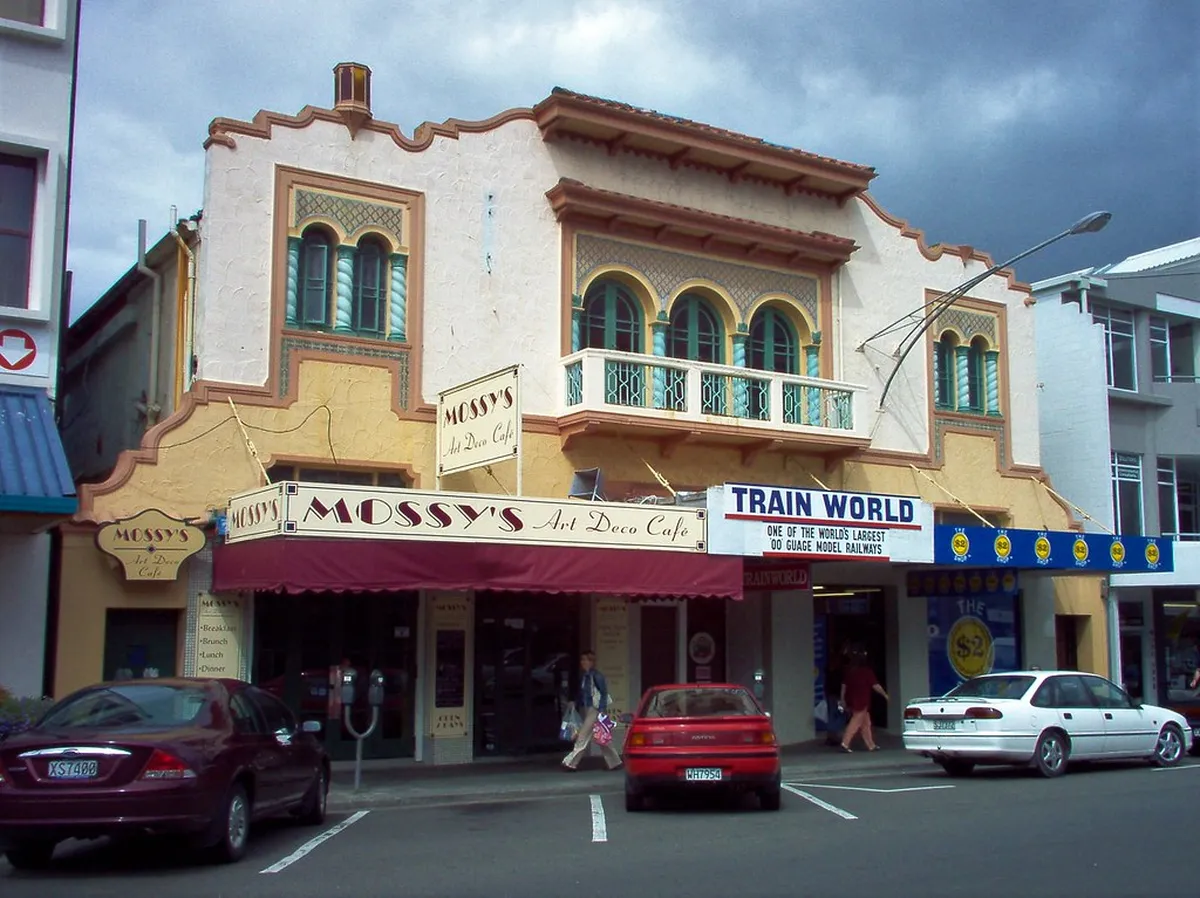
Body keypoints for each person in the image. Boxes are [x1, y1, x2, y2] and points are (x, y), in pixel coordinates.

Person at [562, 650, 622, 771]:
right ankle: (615, 762)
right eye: (582, 660)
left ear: (592, 662)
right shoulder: (585, 676)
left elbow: (604, 694)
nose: (583, 662)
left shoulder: (596, 676)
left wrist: (601, 711)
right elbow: (583, 694)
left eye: (586, 660)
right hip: (590, 708)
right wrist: (575, 702)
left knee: (582, 736)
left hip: (595, 709)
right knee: (601, 737)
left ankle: (570, 763)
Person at [839, 651, 889, 753]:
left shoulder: (850, 671)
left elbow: (844, 686)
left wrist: (842, 698)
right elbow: (875, 686)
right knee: (855, 722)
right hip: (862, 701)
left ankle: (871, 745)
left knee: (866, 723)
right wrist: (885, 694)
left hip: (852, 700)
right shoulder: (866, 672)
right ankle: (845, 743)